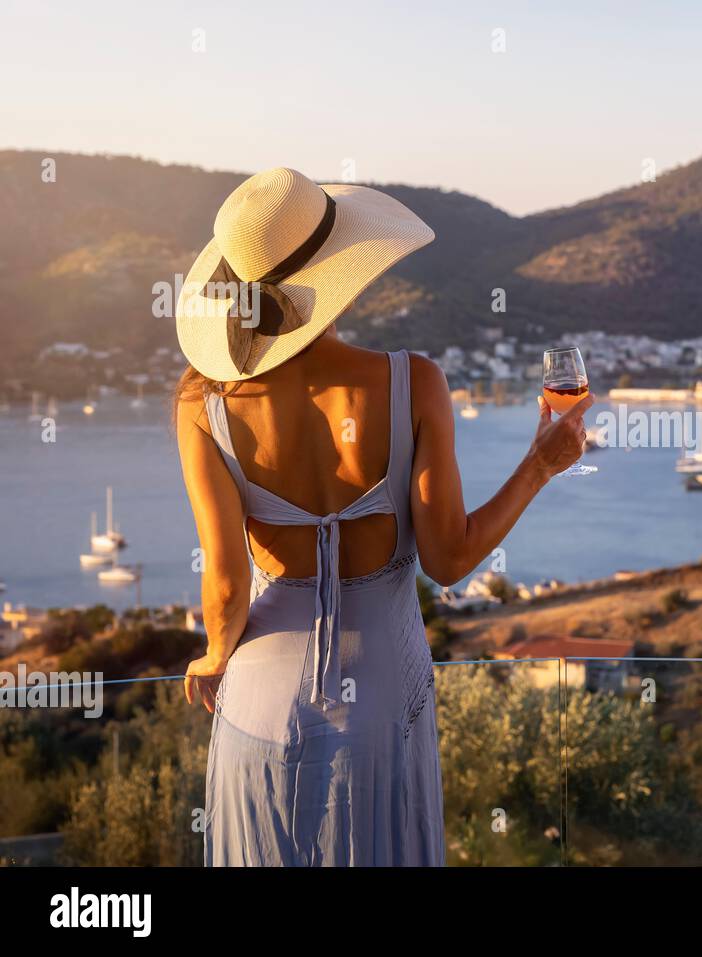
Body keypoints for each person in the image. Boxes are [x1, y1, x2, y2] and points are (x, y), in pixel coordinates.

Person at [172, 167, 590, 865]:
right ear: (341, 271)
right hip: (382, 707)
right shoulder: (413, 382)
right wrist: (540, 466)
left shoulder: (203, 404)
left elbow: (223, 585)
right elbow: (450, 557)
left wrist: (215, 655)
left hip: (256, 706)